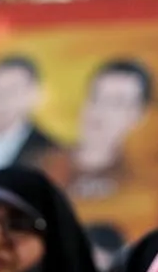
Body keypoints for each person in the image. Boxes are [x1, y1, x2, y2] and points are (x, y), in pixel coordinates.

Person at [60, 58, 152, 206]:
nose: (100, 111)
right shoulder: (43, 164)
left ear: (138, 115)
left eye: (116, 103)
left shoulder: (137, 186)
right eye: (95, 97)